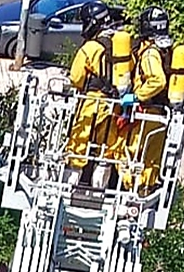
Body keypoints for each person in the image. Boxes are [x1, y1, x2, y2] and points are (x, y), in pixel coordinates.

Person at [65, 1, 124, 188]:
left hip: (91, 101)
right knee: (107, 145)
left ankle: (72, 179)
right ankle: (100, 185)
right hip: (115, 103)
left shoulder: (90, 47)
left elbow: (76, 77)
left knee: (79, 140)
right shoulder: (123, 44)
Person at [119, 6, 170, 192]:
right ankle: (146, 189)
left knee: (129, 152)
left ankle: (129, 188)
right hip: (161, 115)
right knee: (151, 157)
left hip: (147, 113)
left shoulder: (150, 53)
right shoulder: (166, 48)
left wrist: (136, 97)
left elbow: (158, 80)